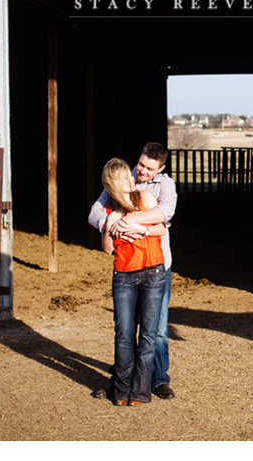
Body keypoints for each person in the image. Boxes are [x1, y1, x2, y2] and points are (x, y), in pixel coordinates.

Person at [88, 142, 178, 400]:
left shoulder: (163, 186)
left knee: (156, 328)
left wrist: (131, 221)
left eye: (149, 168)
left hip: (157, 264)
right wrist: (111, 224)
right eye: (140, 164)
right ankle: (120, 382)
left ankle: (158, 380)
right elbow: (95, 214)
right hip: (126, 267)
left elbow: (165, 214)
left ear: (160, 168)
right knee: (125, 330)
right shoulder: (121, 183)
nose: (142, 171)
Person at [100, 158, 167, 406]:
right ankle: (121, 390)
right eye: (124, 178)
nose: (131, 180)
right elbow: (107, 249)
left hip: (152, 272)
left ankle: (140, 392)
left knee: (148, 335)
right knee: (124, 334)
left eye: (130, 175)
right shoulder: (110, 211)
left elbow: (161, 229)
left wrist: (140, 227)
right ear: (112, 184)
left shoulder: (146, 198)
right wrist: (109, 226)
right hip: (124, 275)